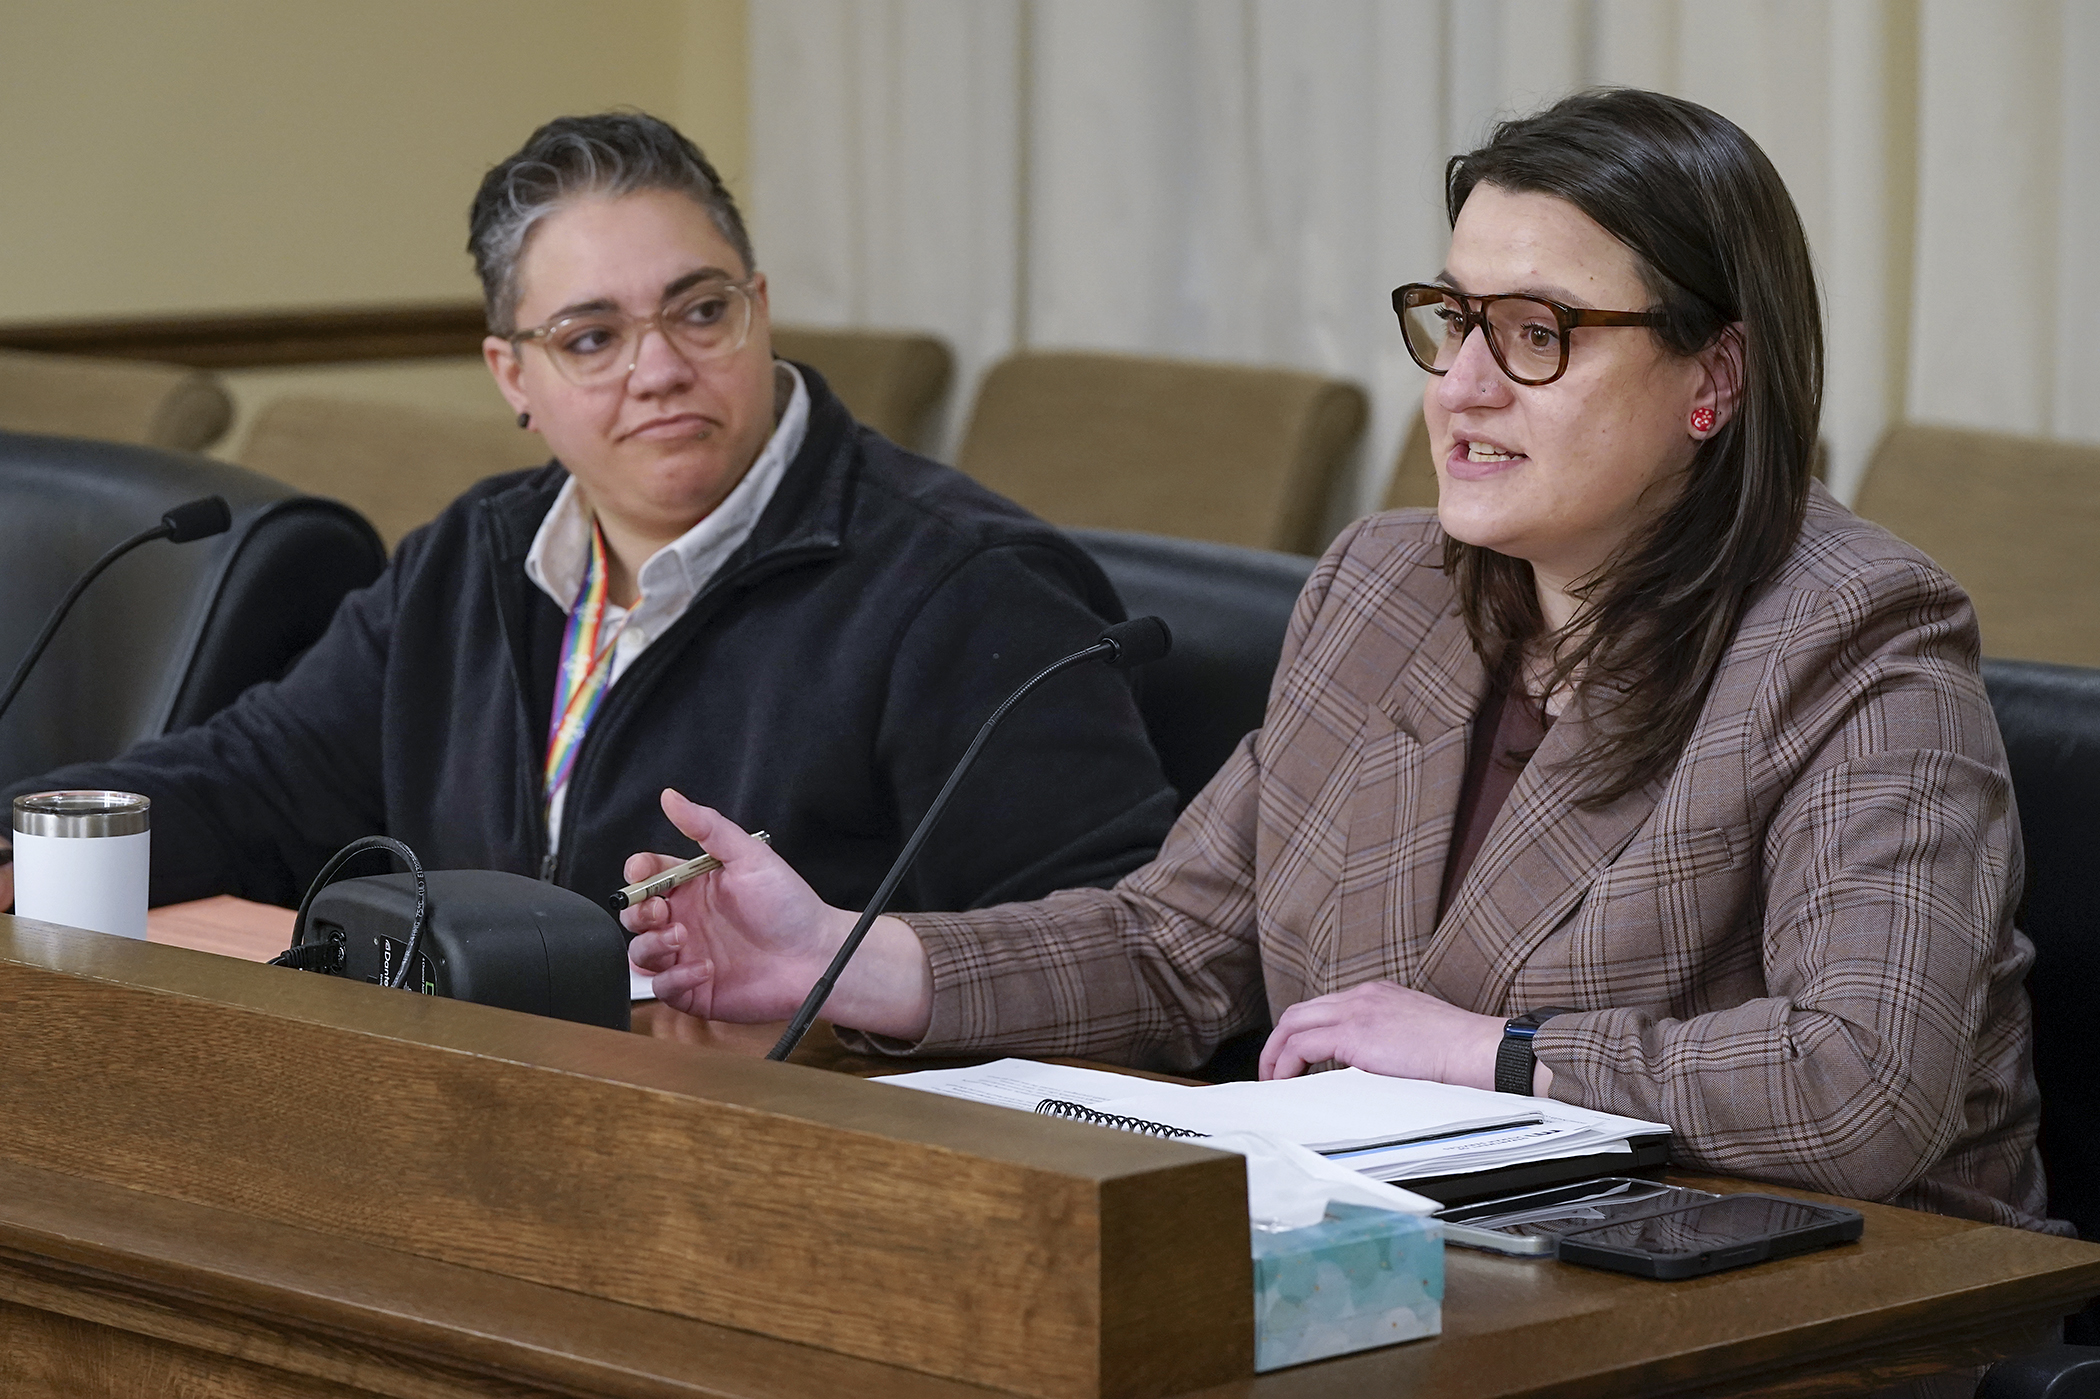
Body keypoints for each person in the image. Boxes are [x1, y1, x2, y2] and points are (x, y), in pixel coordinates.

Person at [620, 89, 2059, 1235]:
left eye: (1538, 333)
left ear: (1716, 377)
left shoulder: (1857, 639)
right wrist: (839, 956)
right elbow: (1173, 947)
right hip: (1428, 1262)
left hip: (1809, 1311)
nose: (1465, 384)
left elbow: (1860, 1084)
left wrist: (1489, 1050)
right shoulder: (1388, 588)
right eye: (1451, 322)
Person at [0, 113, 1176, 921]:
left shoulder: (968, 589)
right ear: (514, 377)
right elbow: (255, 783)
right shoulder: (472, 557)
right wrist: (25, 845)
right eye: (593, 337)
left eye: (699, 311)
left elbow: (1105, 948)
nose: (659, 369)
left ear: (761, 312)